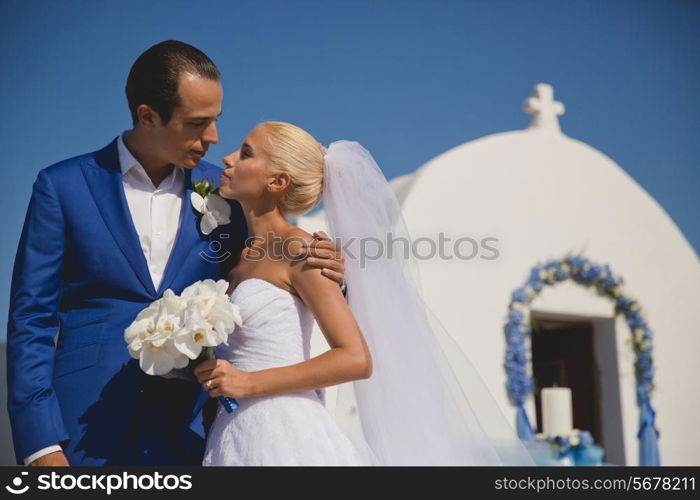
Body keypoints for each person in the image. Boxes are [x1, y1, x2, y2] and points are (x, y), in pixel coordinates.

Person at [6, 41, 346, 467]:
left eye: (216, 120)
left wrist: (331, 269)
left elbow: (273, 277)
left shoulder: (229, 193)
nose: (214, 137)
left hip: (193, 433)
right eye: (197, 123)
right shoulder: (62, 186)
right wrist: (41, 444)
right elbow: (31, 319)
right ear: (149, 116)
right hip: (81, 432)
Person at [195, 122, 536, 466]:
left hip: (284, 433)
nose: (227, 157)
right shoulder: (238, 256)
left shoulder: (301, 248)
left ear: (277, 181)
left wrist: (248, 383)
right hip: (232, 433)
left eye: (247, 153)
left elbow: (355, 358)